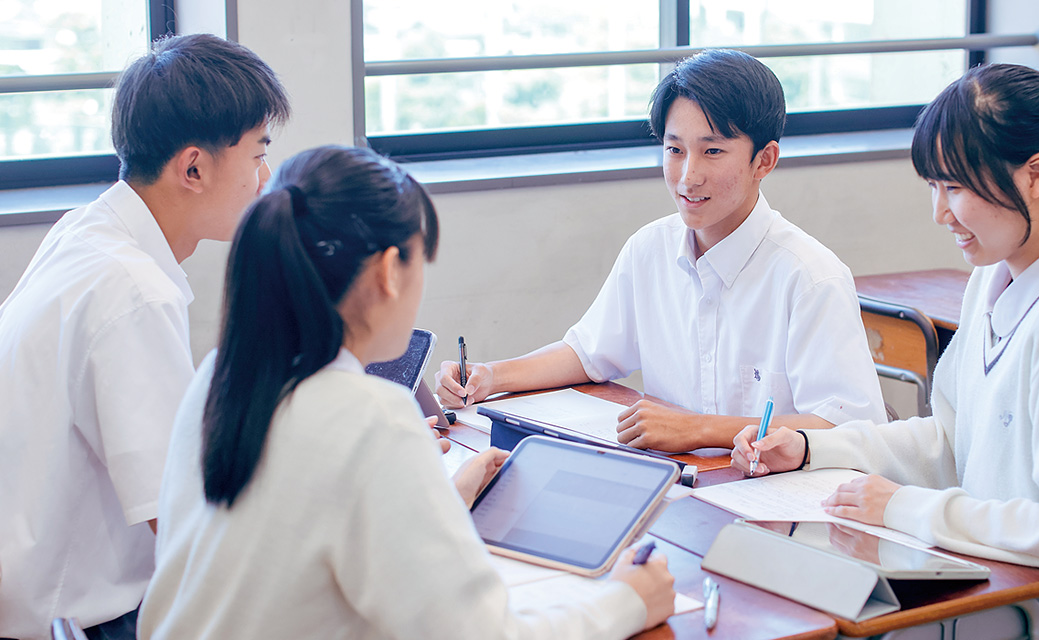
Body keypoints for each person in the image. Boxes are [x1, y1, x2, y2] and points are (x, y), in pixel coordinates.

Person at [138, 145, 676, 639]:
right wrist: (627, 601)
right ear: (390, 272)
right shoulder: (373, 418)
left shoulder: (220, 378)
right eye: (422, 260)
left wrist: (437, 502)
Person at [736, 63, 1039, 638]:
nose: (940, 213)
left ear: (1036, 174)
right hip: (987, 590)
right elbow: (948, 437)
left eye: (955, 188)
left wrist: (903, 507)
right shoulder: (992, 283)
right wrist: (812, 447)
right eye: (935, 188)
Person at [436, 49, 885, 453]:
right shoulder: (649, 249)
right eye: (674, 150)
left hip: (773, 508)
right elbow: (589, 353)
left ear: (764, 160)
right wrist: (491, 377)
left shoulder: (810, 278)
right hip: (676, 484)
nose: (688, 176)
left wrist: (699, 429)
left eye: (712, 151)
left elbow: (848, 428)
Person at [0, 34, 289, 639]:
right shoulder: (131, 291)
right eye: (258, 154)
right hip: (80, 621)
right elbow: (187, 524)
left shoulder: (88, 230)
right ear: (193, 167)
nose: (266, 178)